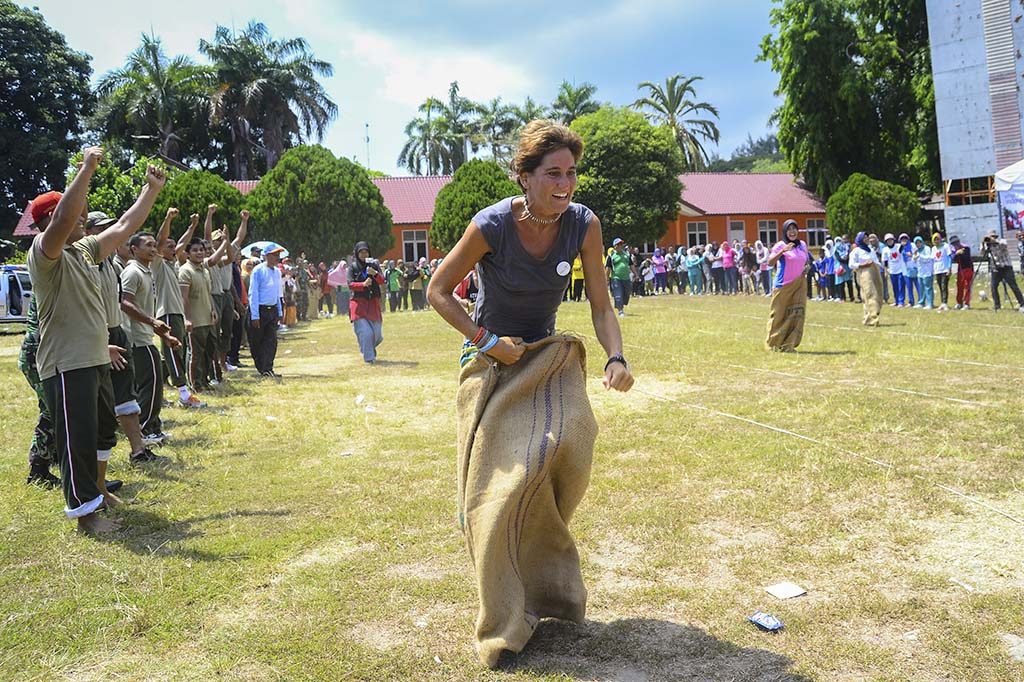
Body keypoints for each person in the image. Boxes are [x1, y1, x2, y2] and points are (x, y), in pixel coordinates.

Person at [426, 119, 633, 668]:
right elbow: (438, 291)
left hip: (545, 353)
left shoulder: (584, 225)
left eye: (571, 173)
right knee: (496, 488)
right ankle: (504, 617)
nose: (564, 184)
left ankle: (548, 592)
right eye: (552, 173)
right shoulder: (491, 224)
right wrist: (487, 341)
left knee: (569, 440)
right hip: (490, 358)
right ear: (524, 176)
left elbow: (600, 304)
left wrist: (616, 357)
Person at [28, 148, 165, 533]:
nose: (84, 216)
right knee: (78, 441)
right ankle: (85, 516)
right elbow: (65, 216)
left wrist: (150, 192)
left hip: (95, 358)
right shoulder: (44, 254)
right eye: (76, 212)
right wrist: (86, 168)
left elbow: (123, 226)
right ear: (50, 221)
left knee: (104, 430)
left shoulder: (84, 250)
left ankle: (99, 491)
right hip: (67, 364)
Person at [120, 232, 182, 443]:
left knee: (154, 385)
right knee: (151, 384)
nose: (154, 249)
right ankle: (145, 430)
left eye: (155, 245)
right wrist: (152, 322)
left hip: (146, 336)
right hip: (137, 339)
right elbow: (125, 303)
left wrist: (164, 335)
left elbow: (146, 308)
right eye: (148, 245)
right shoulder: (132, 272)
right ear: (134, 249)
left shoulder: (147, 272)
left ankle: (153, 427)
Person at [179, 235, 228, 392]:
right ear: (187, 254)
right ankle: (194, 385)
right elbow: (183, 298)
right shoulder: (185, 271)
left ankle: (204, 381)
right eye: (195, 250)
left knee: (208, 352)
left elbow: (208, 294)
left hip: (207, 319)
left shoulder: (204, 270)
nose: (199, 253)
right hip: (195, 320)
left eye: (201, 250)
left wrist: (213, 310)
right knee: (195, 355)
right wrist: (187, 319)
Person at [765, 219, 810, 351]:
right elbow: (770, 262)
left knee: (796, 313)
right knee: (778, 315)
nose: (792, 232)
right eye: (789, 229)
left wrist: (806, 267)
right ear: (785, 231)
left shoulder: (802, 245)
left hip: (799, 284)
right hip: (783, 285)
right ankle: (773, 344)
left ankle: (788, 344)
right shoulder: (780, 245)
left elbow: (805, 260)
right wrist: (783, 251)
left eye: (794, 229)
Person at [248, 243, 285, 376]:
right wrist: (255, 315)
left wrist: (280, 311)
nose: (277, 258)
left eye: (278, 255)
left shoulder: (277, 272)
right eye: (275, 255)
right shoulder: (258, 270)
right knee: (257, 341)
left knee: (271, 341)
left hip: (272, 310)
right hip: (260, 310)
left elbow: (278, 293)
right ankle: (261, 367)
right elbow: (254, 293)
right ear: (267, 256)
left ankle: (268, 368)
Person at [347, 241, 385, 363]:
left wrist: (375, 274)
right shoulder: (352, 267)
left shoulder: (374, 265)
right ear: (357, 254)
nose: (364, 254)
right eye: (361, 252)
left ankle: (367, 347)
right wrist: (362, 284)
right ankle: (369, 358)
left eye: (366, 252)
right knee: (366, 333)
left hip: (373, 303)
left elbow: (382, 280)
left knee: (377, 335)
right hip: (358, 304)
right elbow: (350, 284)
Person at [981, 229, 1024, 312]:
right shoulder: (988, 245)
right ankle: (997, 306)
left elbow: (1004, 245)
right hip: (995, 268)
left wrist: (994, 241)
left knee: (1013, 286)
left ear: (996, 237)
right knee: (993, 287)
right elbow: (983, 253)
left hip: (1006, 267)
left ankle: (1022, 303)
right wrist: (983, 243)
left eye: (993, 237)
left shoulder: (1002, 241)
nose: (991, 239)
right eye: (990, 237)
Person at [850, 231, 883, 326]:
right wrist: (862, 265)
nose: (866, 239)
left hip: (875, 272)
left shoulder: (870, 250)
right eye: (864, 237)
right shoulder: (856, 251)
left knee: (878, 293)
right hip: (864, 273)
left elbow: (876, 261)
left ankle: (868, 316)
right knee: (870, 294)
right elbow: (851, 264)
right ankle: (873, 318)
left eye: (867, 237)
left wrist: (882, 268)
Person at [605, 237, 632, 316]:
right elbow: (608, 268)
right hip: (616, 278)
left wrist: (636, 275)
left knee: (627, 293)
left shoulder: (626, 255)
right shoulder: (611, 256)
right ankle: (620, 310)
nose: (621, 245)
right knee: (618, 294)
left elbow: (631, 265)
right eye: (619, 244)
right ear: (615, 246)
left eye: (621, 244)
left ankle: (622, 304)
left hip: (626, 278)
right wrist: (606, 278)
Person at [950, 235, 974, 309]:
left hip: (968, 268)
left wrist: (961, 253)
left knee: (967, 286)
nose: (956, 245)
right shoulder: (954, 251)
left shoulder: (966, 248)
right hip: (960, 269)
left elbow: (966, 258)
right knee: (959, 286)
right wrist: (957, 254)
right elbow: (954, 259)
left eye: (956, 242)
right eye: (954, 243)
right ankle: (959, 302)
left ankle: (966, 303)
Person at [881, 233, 905, 307]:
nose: (890, 241)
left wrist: (903, 245)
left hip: (900, 270)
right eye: (888, 240)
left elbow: (901, 250)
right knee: (894, 286)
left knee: (901, 286)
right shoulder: (885, 250)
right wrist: (885, 271)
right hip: (892, 270)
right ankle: (896, 301)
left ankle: (901, 301)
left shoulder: (898, 246)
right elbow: (885, 261)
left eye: (891, 240)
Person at [913, 235, 935, 309]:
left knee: (928, 288)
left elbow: (929, 258)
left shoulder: (927, 248)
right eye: (916, 243)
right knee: (921, 288)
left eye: (919, 242)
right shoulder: (916, 250)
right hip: (920, 272)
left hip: (927, 272)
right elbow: (914, 260)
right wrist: (914, 257)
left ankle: (930, 303)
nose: (918, 244)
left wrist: (920, 256)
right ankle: (921, 302)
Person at [932, 233, 953, 312]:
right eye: (935, 239)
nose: (937, 241)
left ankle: (945, 302)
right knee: (940, 286)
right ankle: (942, 302)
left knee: (944, 286)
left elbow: (949, 257)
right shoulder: (933, 249)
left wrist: (949, 268)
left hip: (944, 269)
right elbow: (932, 259)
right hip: (937, 270)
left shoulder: (945, 246)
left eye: (938, 239)